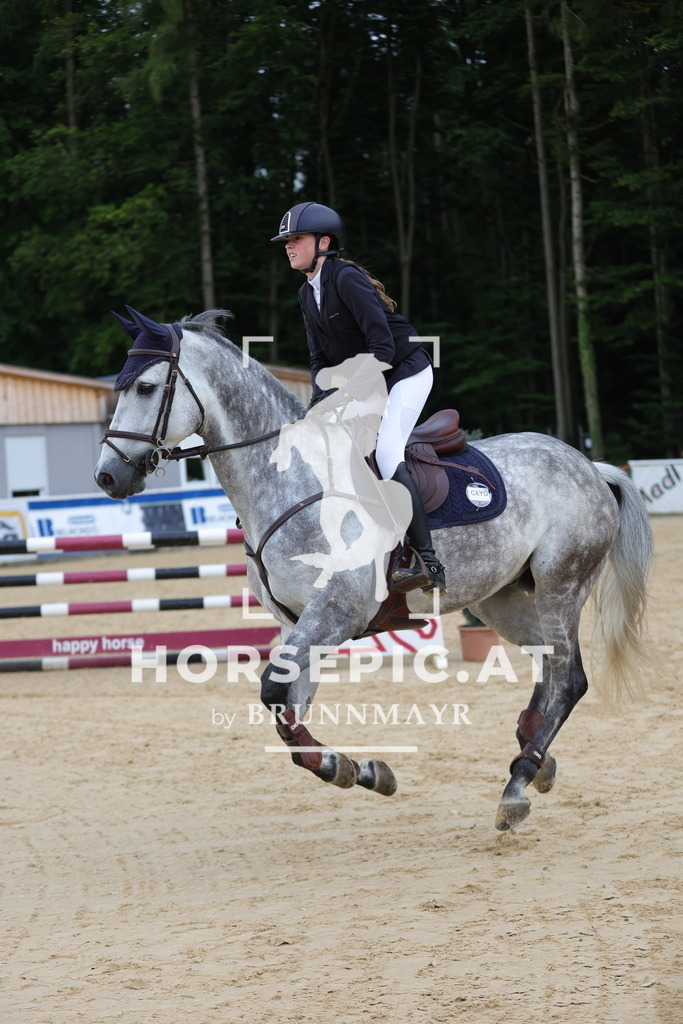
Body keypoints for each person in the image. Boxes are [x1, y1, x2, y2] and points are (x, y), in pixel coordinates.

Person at [271, 200, 447, 595]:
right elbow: (319, 359)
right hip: (367, 380)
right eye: (286, 241)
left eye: (296, 238)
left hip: (404, 371)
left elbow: (382, 347)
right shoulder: (306, 293)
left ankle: (426, 559)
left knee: (386, 453)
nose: (288, 246)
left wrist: (348, 396)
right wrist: (318, 406)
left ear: (324, 242)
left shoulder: (345, 277)